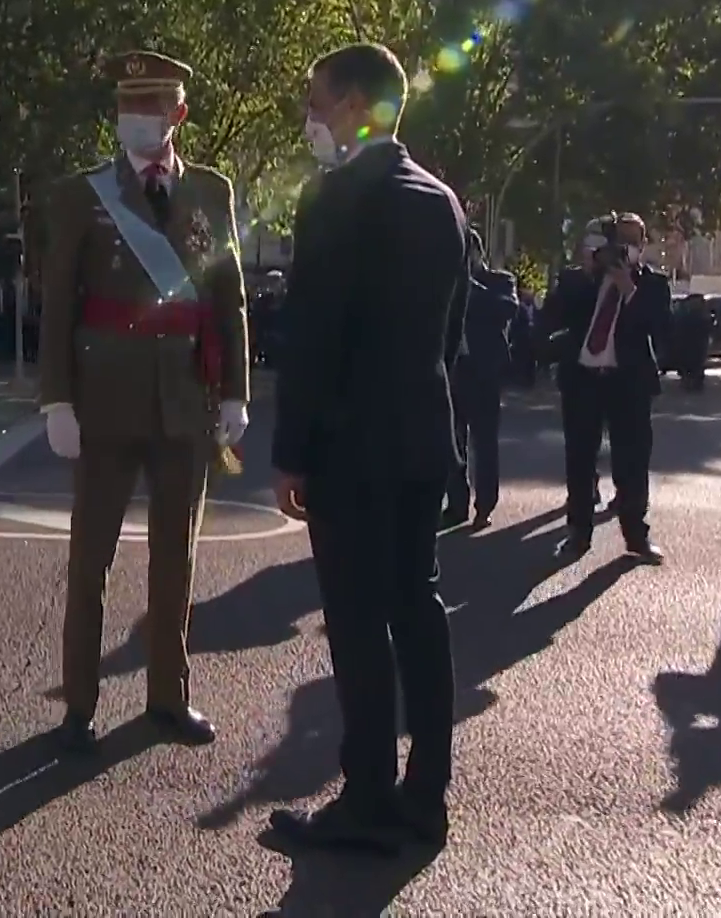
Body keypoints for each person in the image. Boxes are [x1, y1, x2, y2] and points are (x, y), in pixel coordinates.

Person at [269, 42, 466, 854]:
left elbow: (313, 337)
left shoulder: (336, 197)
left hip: (351, 450)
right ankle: (426, 794)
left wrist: (291, 452)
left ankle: (366, 797)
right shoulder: (442, 200)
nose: (310, 118)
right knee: (417, 611)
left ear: (354, 104)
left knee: (355, 623)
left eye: (317, 101)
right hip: (422, 437)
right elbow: (448, 336)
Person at [35, 49, 251, 753]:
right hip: (103, 399)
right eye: (129, 108)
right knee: (90, 557)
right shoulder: (83, 194)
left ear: (178, 115)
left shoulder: (211, 192)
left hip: (185, 397)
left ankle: (168, 697)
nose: (137, 120)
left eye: (152, 108)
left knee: (176, 560)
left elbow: (228, 298)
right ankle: (78, 707)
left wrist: (236, 393)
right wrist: (56, 400)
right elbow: (58, 305)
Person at [541, 213, 671, 561]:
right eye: (619, 241)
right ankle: (578, 534)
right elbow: (552, 317)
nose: (624, 249)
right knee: (580, 459)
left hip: (629, 382)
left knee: (632, 460)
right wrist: (587, 273)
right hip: (583, 380)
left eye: (632, 242)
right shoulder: (577, 279)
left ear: (642, 247)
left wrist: (628, 288)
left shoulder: (654, 284)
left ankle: (636, 535)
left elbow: (659, 327)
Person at [443, 227, 517, 528]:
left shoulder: (499, 281)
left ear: (476, 252)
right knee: (451, 443)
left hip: (484, 373)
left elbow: (506, 309)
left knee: (484, 444)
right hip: (452, 371)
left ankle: (485, 505)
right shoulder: (444, 284)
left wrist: (468, 285)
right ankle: (455, 504)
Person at [672, 294, 712, 393]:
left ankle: (692, 381)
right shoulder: (686, 315)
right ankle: (689, 380)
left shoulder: (700, 316)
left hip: (696, 344)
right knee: (690, 363)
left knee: (695, 363)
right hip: (689, 343)